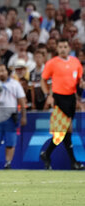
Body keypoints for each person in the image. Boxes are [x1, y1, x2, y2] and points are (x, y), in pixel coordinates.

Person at [40, 39, 84, 170]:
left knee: (63, 132)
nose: (63, 49)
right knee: (67, 128)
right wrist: (48, 95)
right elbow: (43, 80)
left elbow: (79, 81)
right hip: (58, 98)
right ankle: (73, 162)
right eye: (60, 47)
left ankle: (47, 154)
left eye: (65, 46)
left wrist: (81, 86)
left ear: (69, 48)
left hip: (71, 98)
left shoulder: (76, 62)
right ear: (57, 49)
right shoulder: (52, 63)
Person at [0, 63, 27, 169]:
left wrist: (23, 116)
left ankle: (8, 163)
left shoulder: (15, 84)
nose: (1, 73)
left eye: (3, 70)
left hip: (10, 116)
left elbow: (21, 100)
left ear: (7, 71)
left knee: (10, 142)